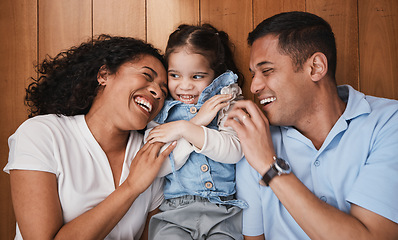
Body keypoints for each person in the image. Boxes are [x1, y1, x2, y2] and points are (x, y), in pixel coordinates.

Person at [224, 11, 398, 239]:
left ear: (316, 67)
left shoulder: (388, 122)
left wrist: (270, 166)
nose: (254, 86)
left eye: (267, 71)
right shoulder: (253, 138)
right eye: (253, 74)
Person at [3, 35, 176, 239]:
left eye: (164, 91)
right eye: (147, 76)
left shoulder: (152, 155)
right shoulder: (42, 134)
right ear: (104, 74)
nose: (157, 92)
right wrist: (131, 187)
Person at [145, 24, 247, 239]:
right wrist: (197, 122)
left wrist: (183, 130)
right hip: (174, 212)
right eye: (175, 75)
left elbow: (234, 151)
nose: (185, 86)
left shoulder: (225, 101)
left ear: (215, 73)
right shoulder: (160, 110)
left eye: (197, 77)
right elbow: (158, 166)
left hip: (223, 211)